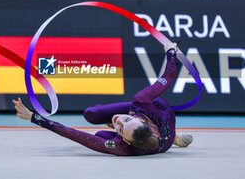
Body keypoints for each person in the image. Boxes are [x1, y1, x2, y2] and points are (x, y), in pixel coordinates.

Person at [13, 42, 193, 156]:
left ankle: (173, 136)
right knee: (91, 114)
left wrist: (33, 117)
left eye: (120, 129)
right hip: (160, 116)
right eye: (126, 119)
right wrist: (171, 53)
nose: (118, 119)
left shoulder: (120, 148)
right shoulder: (143, 103)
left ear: (127, 141)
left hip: (161, 140)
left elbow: (75, 135)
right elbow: (168, 77)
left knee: (99, 136)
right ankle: (173, 136)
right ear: (140, 119)